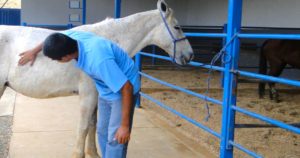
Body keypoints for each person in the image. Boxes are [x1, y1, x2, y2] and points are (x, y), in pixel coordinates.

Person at [18, 30, 140, 158]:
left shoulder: (98, 61)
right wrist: (34, 51)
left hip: (123, 90)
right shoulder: (72, 39)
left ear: (66, 57)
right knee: (103, 132)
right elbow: (53, 39)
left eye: (55, 59)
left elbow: (127, 88)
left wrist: (125, 126)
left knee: (116, 138)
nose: (55, 61)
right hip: (106, 88)